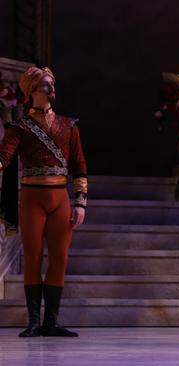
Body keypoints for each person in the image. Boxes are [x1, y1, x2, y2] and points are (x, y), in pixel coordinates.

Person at [0, 66, 88, 337]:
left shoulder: (68, 125)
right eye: (44, 85)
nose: (50, 89)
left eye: (52, 84)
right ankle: (34, 321)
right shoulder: (20, 127)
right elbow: (4, 155)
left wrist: (81, 202)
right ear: (31, 92)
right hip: (32, 198)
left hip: (60, 197)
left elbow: (79, 165)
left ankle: (52, 321)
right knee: (34, 258)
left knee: (60, 257)